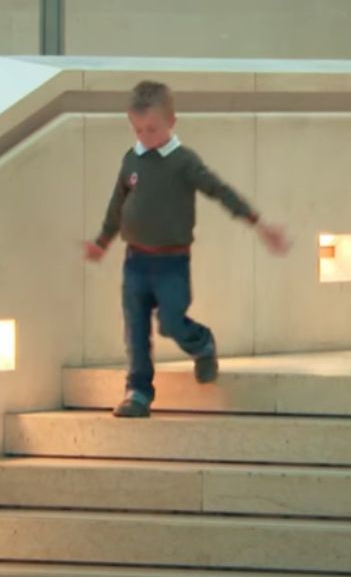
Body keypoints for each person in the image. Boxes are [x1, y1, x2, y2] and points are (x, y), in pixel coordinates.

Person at [84, 81, 289, 418]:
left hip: (171, 262)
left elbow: (219, 191)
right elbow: (118, 204)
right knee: (135, 328)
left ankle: (202, 343)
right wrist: (102, 241)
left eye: (152, 129)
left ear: (171, 122)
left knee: (170, 322)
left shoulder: (183, 162)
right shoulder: (131, 160)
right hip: (135, 260)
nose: (145, 137)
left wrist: (258, 222)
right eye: (138, 129)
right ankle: (138, 391)